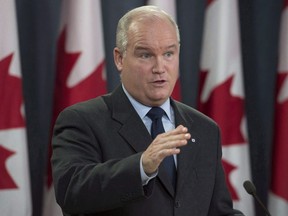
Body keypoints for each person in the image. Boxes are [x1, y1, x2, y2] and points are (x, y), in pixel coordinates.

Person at [51, 5, 244, 216]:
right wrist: (142, 166)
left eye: (169, 53)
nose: (160, 67)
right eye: (145, 55)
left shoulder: (204, 128)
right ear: (119, 59)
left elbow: (218, 210)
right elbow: (71, 192)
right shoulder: (82, 120)